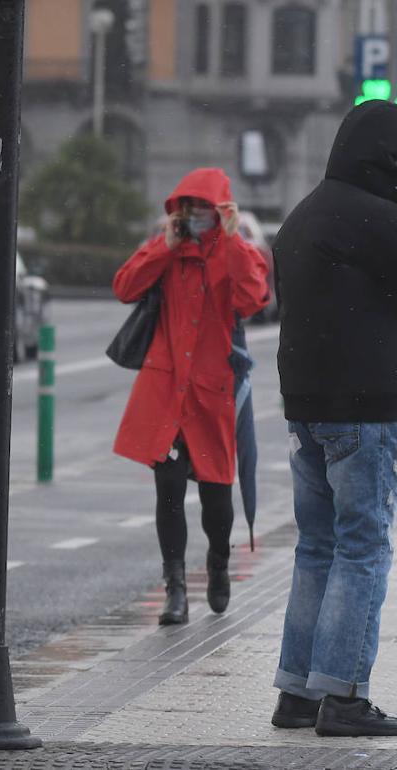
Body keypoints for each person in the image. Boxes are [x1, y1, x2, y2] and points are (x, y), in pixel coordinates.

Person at [270, 100, 397, 736]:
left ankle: (297, 692)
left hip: (306, 409)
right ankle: (344, 696)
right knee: (364, 546)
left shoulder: (302, 216)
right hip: (366, 410)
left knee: (317, 546)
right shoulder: (378, 218)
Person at [112, 168, 269, 626]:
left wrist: (235, 240)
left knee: (218, 500)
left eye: (206, 209)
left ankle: (218, 562)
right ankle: (175, 589)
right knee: (169, 491)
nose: (196, 216)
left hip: (212, 392)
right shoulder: (169, 250)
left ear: (221, 213)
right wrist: (166, 244)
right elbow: (125, 286)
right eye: (189, 208)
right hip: (166, 389)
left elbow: (253, 299)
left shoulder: (234, 252)